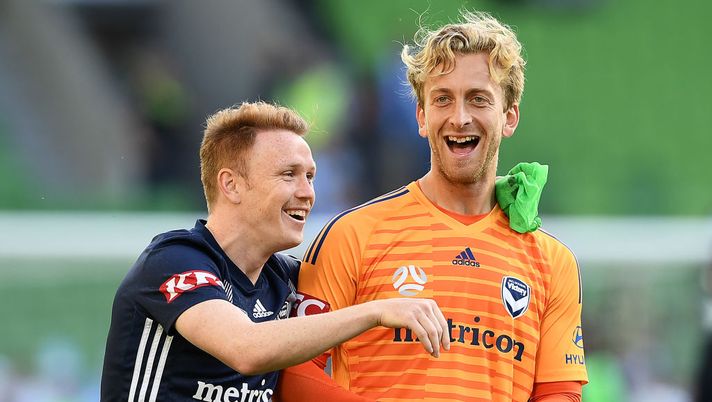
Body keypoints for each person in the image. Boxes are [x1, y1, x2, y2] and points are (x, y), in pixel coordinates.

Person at [281, 10, 588, 402]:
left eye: (478, 99)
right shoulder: (351, 236)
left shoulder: (552, 262)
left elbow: (559, 392)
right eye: (443, 100)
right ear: (422, 117)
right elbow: (293, 374)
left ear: (509, 117)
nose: (460, 118)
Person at [99, 101, 452, 401]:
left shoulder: (286, 279)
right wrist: (375, 311)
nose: (308, 192)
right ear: (231, 184)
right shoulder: (173, 260)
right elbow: (247, 348)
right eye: (289, 175)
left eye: (310, 176)